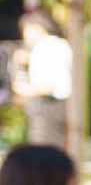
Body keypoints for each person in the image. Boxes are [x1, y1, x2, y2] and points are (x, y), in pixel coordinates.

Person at [18, 15, 72, 149]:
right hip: (59, 105)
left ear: (36, 27)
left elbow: (48, 85)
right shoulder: (59, 44)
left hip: (48, 105)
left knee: (44, 148)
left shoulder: (45, 47)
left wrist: (26, 90)